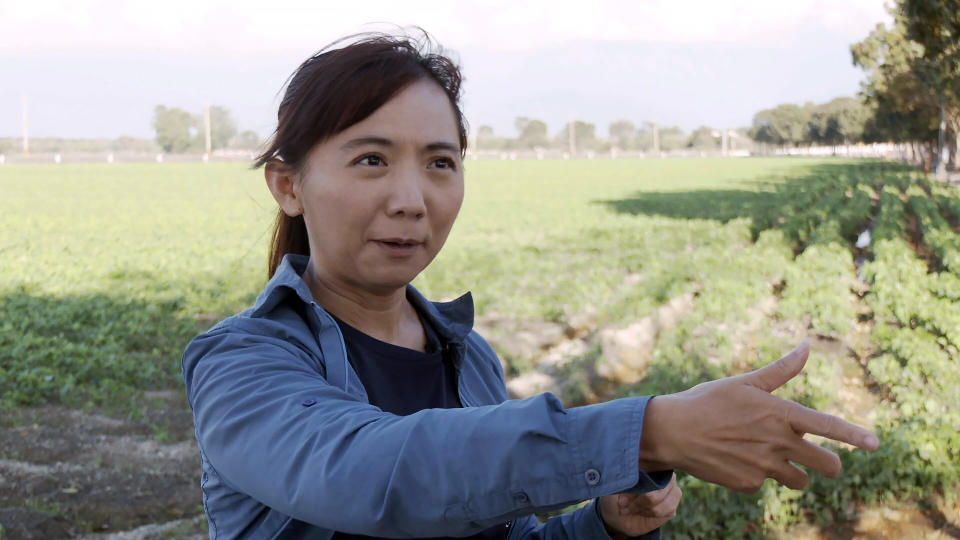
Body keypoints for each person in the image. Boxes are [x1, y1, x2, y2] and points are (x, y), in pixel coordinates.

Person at [181, 31, 879, 540]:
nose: (411, 199)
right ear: (288, 185)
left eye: (440, 163)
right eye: (371, 159)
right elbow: (376, 476)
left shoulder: (467, 357)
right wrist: (646, 432)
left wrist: (608, 522)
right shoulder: (242, 364)